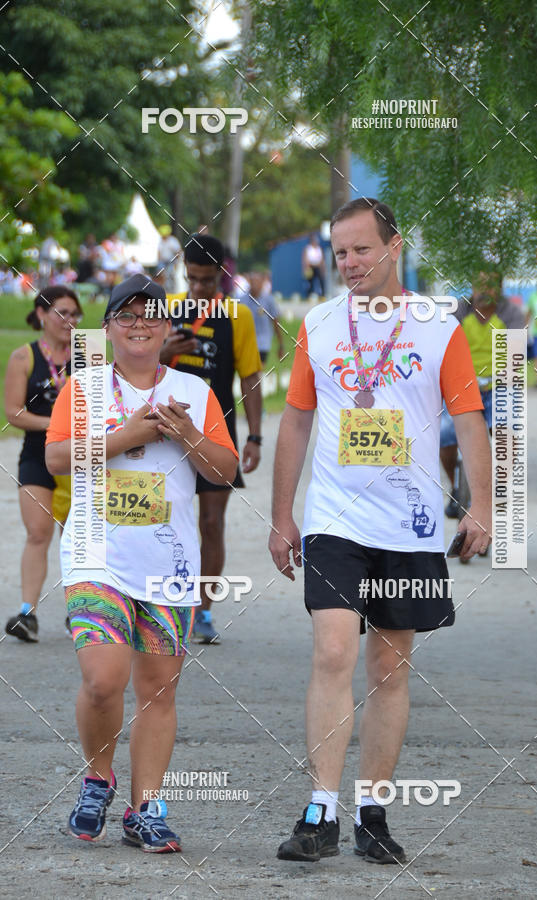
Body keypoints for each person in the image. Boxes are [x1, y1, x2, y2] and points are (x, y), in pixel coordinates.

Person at [269, 198, 491, 864]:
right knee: (332, 652)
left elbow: (472, 420)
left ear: (395, 247)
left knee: (389, 669)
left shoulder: (436, 327)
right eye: (340, 251)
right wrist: (282, 514)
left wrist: (481, 507)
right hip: (337, 518)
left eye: (362, 249)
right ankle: (320, 812)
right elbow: (298, 421)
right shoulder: (319, 322)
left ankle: (373, 812)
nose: (349, 263)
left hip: (412, 524)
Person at [45, 274, 238, 850]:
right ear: (106, 328)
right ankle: (98, 778)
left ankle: (145, 809)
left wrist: (187, 435)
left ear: (167, 328)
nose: (137, 325)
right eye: (124, 316)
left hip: (167, 562)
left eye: (149, 315)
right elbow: (56, 457)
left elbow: (223, 472)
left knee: (158, 690)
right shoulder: (82, 390)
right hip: (95, 556)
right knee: (105, 680)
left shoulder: (194, 392)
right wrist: (124, 435)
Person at [160, 234, 262, 644]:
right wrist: (165, 351)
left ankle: (203, 611)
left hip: (217, 434)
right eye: (192, 279)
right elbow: (137, 368)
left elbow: (251, 379)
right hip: (166, 433)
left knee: (211, 522)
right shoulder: (165, 310)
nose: (199, 288)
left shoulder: (237, 316)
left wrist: (255, 436)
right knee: (165, 520)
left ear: (223, 274)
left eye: (207, 280)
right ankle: (164, 604)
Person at [4, 286, 81, 642]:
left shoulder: (89, 354)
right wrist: (53, 424)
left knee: (77, 536)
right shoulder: (24, 357)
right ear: (41, 315)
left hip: (78, 457)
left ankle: (78, 611)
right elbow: (13, 412)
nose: (70, 320)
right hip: (37, 455)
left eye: (75, 314)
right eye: (61, 312)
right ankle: (27, 613)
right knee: (39, 533)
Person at [440, 273, 525, 519]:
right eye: (480, 283)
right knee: (445, 435)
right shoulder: (459, 312)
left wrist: (505, 374)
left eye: (490, 284)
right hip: (463, 385)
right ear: (473, 286)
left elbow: (517, 352)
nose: (484, 289)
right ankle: (456, 486)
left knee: (507, 430)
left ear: (499, 288)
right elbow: (444, 348)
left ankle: (499, 489)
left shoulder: (510, 314)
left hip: (500, 385)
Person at [238, 272, 285, 364]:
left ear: (262, 283)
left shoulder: (269, 300)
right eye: (253, 282)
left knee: (258, 371)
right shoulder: (241, 300)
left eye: (257, 282)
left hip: (262, 343)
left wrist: (280, 344)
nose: (255, 285)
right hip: (246, 342)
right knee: (247, 372)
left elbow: (275, 322)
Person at [157, 225, 182, 293]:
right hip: (163, 261)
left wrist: (177, 262)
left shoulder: (173, 241)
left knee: (171, 275)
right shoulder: (160, 241)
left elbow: (178, 252)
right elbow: (159, 252)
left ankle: (172, 291)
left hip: (171, 261)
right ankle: (163, 290)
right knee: (162, 275)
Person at [302, 234, 325, 298]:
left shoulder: (319, 248)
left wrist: (323, 268)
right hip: (310, 267)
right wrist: (306, 268)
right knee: (310, 282)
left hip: (317, 267)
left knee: (320, 281)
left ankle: (322, 295)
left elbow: (322, 259)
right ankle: (309, 295)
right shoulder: (308, 248)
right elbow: (305, 259)